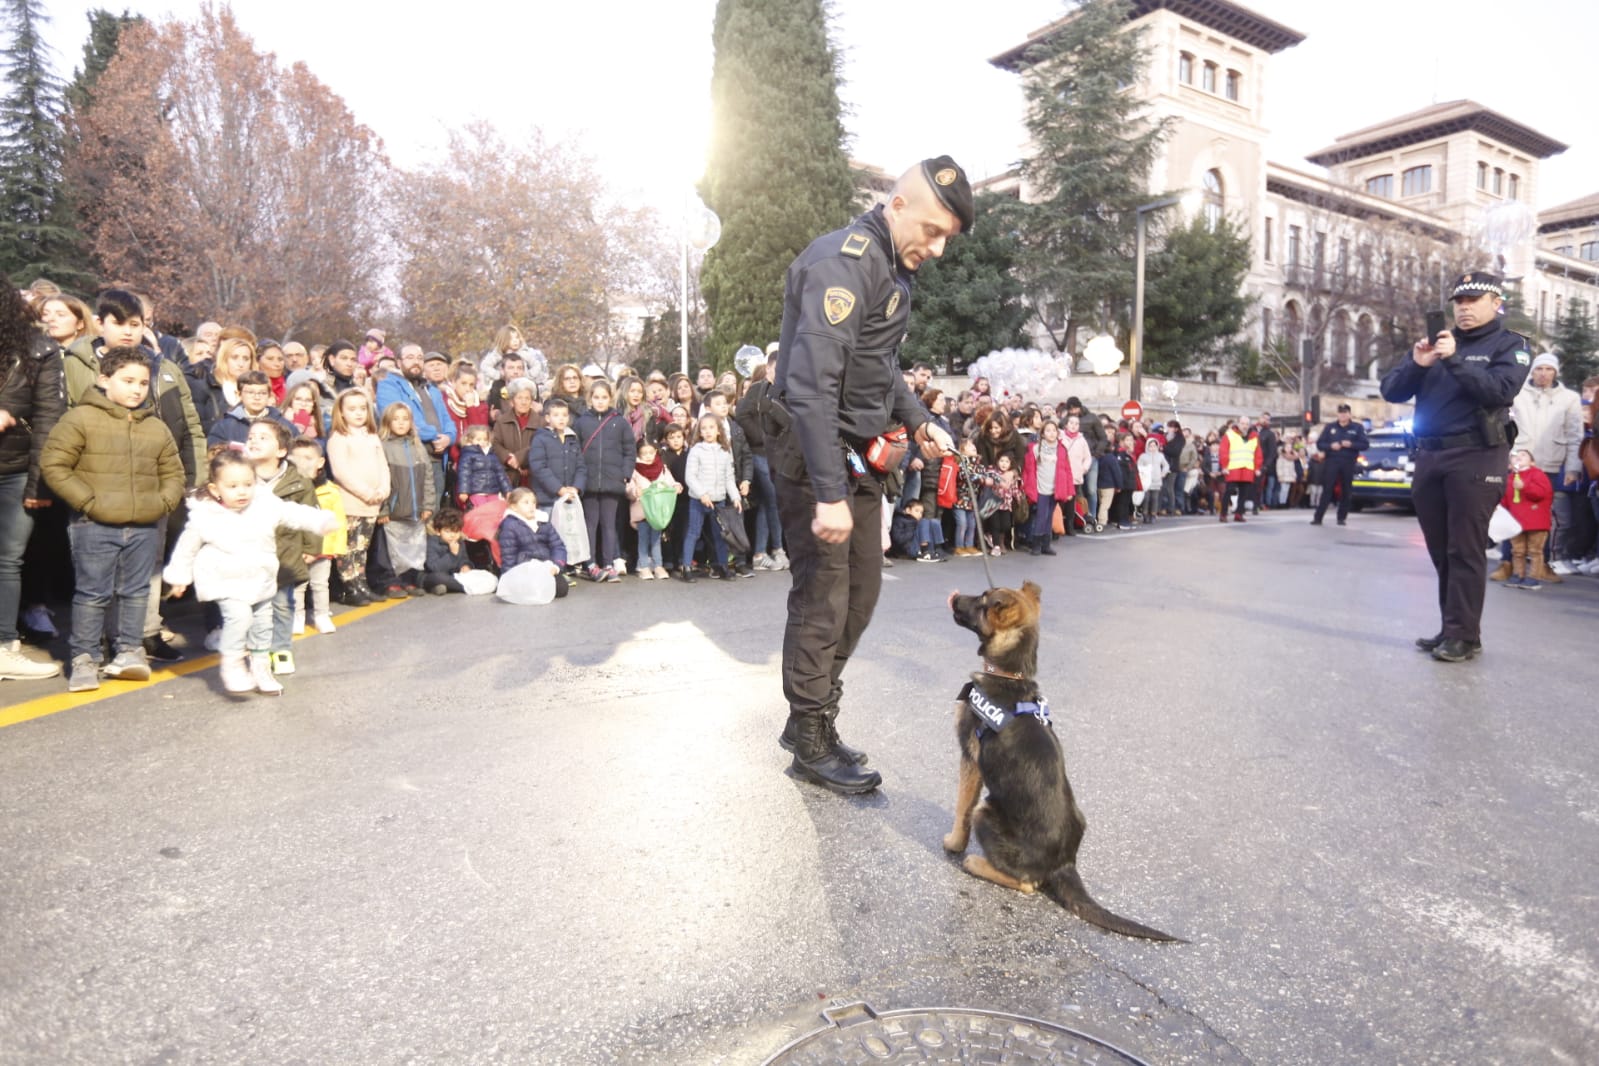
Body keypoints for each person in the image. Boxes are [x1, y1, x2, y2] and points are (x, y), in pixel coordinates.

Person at [766, 156, 967, 793]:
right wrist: (828, 494)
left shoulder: (888, 266)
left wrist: (918, 418)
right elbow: (811, 386)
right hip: (814, 452)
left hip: (855, 454)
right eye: (932, 230)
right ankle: (810, 733)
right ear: (897, 205)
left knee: (863, 593)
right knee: (824, 597)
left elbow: (880, 361)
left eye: (947, 239)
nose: (936, 248)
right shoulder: (845, 264)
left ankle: (814, 717)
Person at [1380, 271, 1530, 663]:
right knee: (1441, 550)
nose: (1463, 308)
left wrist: (1457, 360)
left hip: (1476, 455)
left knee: (1465, 548)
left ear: (1496, 303)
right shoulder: (1438, 344)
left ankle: (1464, 635)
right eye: (1459, 302)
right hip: (1430, 455)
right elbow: (1392, 390)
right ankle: (1453, 628)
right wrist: (1417, 362)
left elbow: (1499, 391)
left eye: (1473, 300)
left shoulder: (1511, 345)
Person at [40, 348, 185, 691]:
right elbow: (54, 465)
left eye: (143, 383)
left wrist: (162, 502)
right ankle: (85, 658)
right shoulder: (80, 419)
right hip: (94, 525)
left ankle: (129, 652)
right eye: (128, 381)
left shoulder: (156, 427)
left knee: (136, 592)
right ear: (104, 380)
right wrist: (88, 502)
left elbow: (173, 472)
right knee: (93, 593)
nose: (137, 389)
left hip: (144, 526)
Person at [164, 452, 334, 695]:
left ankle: (260, 668)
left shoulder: (264, 505)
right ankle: (232, 663)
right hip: (225, 580)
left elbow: (292, 513)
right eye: (232, 486)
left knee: (263, 626)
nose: (242, 492)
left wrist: (320, 522)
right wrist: (180, 577)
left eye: (248, 484)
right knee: (239, 618)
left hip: (260, 578)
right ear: (215, 489)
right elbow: (186, 548)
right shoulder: (205, 515)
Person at [0, 276, 66, 682]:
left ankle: (5, 646)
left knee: (7, 560)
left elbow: (49, 420)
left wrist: (39, 484)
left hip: (17, 468)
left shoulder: (40, 349)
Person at [243, 420, 319, 675]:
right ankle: (259, 652)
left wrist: (311, 545)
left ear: (281, 451)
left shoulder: (298, 482)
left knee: (282, 605)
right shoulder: (240, 478)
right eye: (251, 436)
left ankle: (282, 649)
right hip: (250, 556)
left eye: (263, 437)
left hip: (284, 554)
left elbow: (310, 514)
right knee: (253, 607)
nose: (254, 440)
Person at [1510, 353, 1583, 581]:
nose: (1543, 373)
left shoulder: (1569, 398)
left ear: (1555, 372)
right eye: (1539, 368)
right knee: (1515, 515)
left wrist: (1573, 468)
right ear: (1532, 371)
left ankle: (1546, 561)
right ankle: (1511, 563)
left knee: (1552, 518)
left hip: (1551, 465)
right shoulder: (1517, 394)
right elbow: (1504, 426)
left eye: (1548, 369)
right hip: (1519, 464)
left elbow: (1575, 434)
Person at [325, 390, 389, 607]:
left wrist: (383, 489)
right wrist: (366, 492)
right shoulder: (339, 438)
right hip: (351, 502)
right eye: (352, 409)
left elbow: (382, 465)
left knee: (362, 546)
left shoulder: (371, 436)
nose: (359, 413)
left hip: (372, 503)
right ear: (341, 413)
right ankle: (348, 585)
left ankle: (361, 582)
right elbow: (341, 472)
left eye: (363, 408)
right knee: (349, 546)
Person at [370, 403, 436, 597]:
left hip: (415, 509)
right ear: (388, 422)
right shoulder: (383, 446)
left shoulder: (417, 446)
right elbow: (378, 478)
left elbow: (428, 478)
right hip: (393, 510)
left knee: (413, 546)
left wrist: (428, 505)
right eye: (396, 419)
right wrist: (382, 509)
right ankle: (389, 581)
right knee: (388, 549)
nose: (400, 423)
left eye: (405, 419)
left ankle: (409, 579)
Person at [574, 378, 634, 582]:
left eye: (604, 397)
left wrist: (625, 472)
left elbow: (629, 450)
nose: (600, 401)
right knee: (591, 524)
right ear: (590, 398)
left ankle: (608, 563)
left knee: (609, 524)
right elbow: (575, 451)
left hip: (612, 480)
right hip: (589, 481)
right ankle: (590, 563)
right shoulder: (582, 422)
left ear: (611, 398)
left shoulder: (619, 422)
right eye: (596, 397)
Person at [286, 438, 342, 635]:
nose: (303, 462)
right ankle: (298, 616)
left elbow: (338, 523)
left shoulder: (330, 491)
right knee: (299, 585)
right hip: (298, 549)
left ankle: (322, 615)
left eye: (308, 458)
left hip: (324, 547)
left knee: (320, 584)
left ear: (320, 462)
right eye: (298, 458)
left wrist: (337, 547)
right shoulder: (290, 489)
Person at [680, 414, 741, 583]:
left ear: (718, 431)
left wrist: (735, 497)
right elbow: (690, 477)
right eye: (704, 428)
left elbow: (729, 477)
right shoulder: (696, 450)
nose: (707, 431)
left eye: (711, 428)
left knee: (720, 534)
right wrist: (702, 494)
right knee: (693, 532)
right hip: (698, 500)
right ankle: (686, 566)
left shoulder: (725, 450)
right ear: (699, 431)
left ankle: (723, 566)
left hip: (719, 500)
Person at [497, 487, 569, 598]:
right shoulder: (510, 525)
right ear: (514, 507)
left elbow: (558, 546)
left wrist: (556, 566)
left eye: (534, 502)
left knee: (562, 589)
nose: (531, 506)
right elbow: (508, 556)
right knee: (532, 590)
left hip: (546, 566)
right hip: (524, 568)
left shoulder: (543, 521)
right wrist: (508, 580)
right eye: (526, 503)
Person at [1499, 447, 1553, 591]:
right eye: (1515, 456)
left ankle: (1534, 577)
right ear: (1509, 464)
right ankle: (1518, 574)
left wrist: (1525, 486)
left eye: (1523, 455)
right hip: (1516, 522)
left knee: (1535, 551)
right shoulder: (1509, 478)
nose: (1519, 457)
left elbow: (1542, 493)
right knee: (1517, 550)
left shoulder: (1537, 474)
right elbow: (1505, 500)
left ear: (1532, 462)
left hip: (1536, 521)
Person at [626, 438, 679, 581]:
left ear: (656, 452)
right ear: (638, 454)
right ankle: (643, 566)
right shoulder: (634, 469)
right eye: (644, 453)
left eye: (651, 452)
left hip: (657, 512)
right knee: (643, 539)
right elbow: (629, 487)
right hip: (642, 510)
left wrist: (675, 486)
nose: (648, 456)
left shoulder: (662, 467)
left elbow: (670, 481)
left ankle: (658, 565)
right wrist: (634, 491)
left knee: (656, 539)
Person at [1312, 404, 1368, 526]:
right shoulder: (1330, 427)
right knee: (1327, 488)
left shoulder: (1357, 427)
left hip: (1348, 461)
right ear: (1337, 414)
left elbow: (1365, 445)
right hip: (1332, 461)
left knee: (1346, 490)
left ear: (1349, 414)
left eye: (1345, 413)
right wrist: (1330, 446)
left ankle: (1341, 517)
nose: (1342, 415)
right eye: (1340, 413)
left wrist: (1351, 444)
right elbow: (1320, 444)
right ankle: (1318, 517)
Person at [1218, 414, 1262, 522]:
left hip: (1247, 468)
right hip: (1233, 468)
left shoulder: (1254, 436)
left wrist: (1257, 468)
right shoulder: (1229, 435)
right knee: (1228, 491)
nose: (1245, 426)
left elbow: (1258, 453)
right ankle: (1223, 514)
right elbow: (1223, 451)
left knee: (1244, 493)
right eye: (1242, 423)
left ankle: (1239, 514)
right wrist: (1224, 466)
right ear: (1238, 424)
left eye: (1247, 424)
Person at [422, 509, 475, 594]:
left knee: (480, 575)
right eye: (448, 531)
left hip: (454, 576)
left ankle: (441, 588)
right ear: (438, 531)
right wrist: (452, 555)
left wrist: (465, 566)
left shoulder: (459, 542)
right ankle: (464, 587)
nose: (452, 535)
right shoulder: (432, 542)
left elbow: (464, 559)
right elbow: (433, 567)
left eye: (456, 532)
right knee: (438, 578)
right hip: (432, 575)